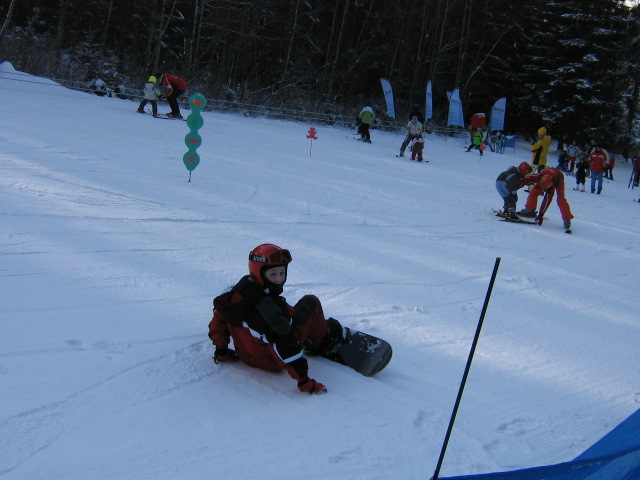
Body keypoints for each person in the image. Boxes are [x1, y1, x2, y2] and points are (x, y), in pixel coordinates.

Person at [208, 244, 346, 395]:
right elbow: (285, 345)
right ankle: (321, 342)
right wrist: (305, 382)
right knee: (310, 302)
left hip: (245, 354)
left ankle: (310, 328)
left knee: (287, 308)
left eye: (282, 273)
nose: (279, 279)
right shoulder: (266, 311)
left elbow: (218, 322)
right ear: (259, 272)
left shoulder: (235, 293)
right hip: (271, 361)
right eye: (273, 274)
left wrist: (221, 351)